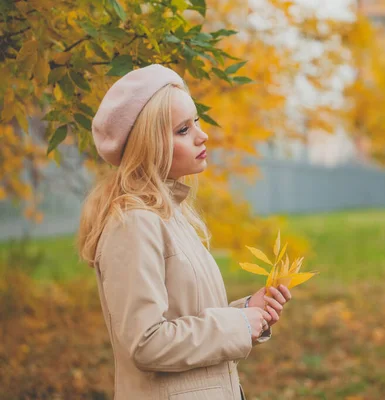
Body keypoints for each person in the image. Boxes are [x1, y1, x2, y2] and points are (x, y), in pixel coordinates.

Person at [76, 64, 292, 400]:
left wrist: (250, 311)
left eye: (196, 122)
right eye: (182, 130)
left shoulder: (169, 214)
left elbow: (187, 320)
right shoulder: (134, 222)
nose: (201, 135)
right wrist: (239, 325)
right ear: (148, 145)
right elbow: (147, 342)